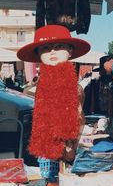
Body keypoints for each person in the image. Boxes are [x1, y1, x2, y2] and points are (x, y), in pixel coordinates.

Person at [17, 24, 90, 162]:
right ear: (38, 54)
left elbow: (78, 118)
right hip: (43, 151)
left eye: (59, 46)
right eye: (45, 48)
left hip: (67, 151)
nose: (52, 52)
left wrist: (70, 146)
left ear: (70, 50)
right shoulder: (36, 87)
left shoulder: (75, 88)